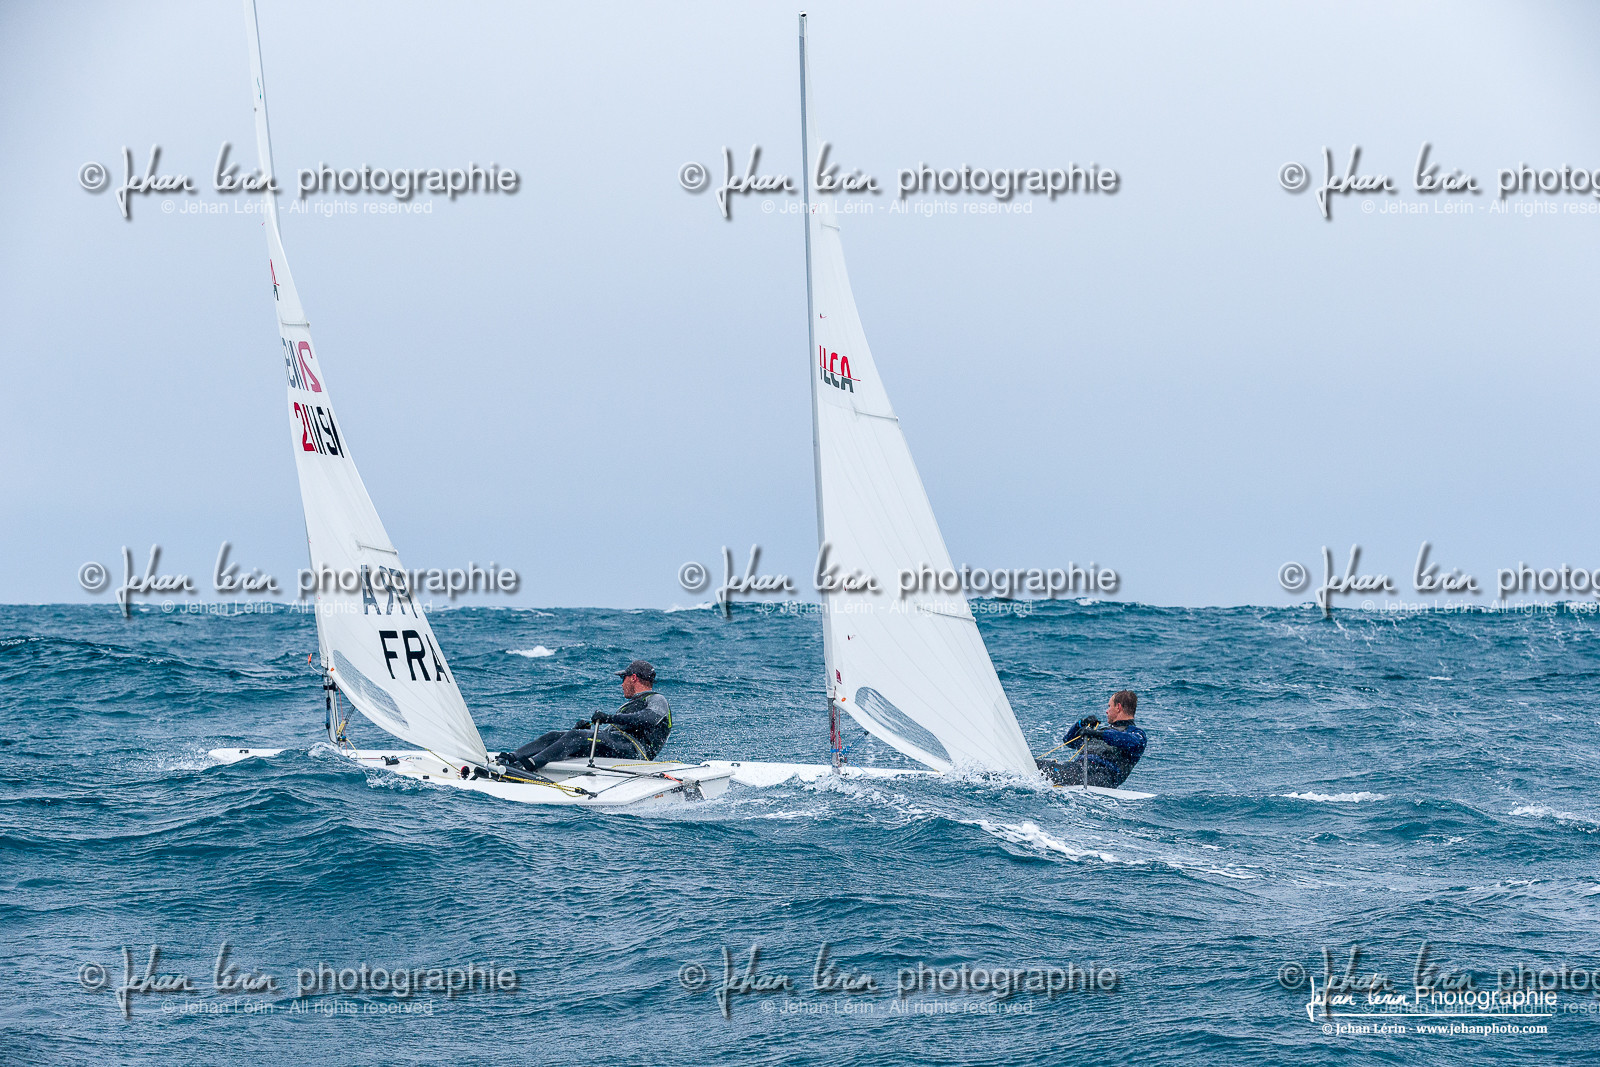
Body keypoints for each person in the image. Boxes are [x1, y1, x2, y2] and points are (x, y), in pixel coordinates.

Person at [497, 660, 673, 774]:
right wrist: (588, 731)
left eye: (623, 678)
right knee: (557, 735)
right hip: (619, 745)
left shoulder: (657, 699)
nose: (621, 684)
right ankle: (512, 757)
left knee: (577, 737)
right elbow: (615, 731)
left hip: (635, 753)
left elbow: (648, 718)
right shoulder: (631, 704)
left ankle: (528, 766)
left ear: (633, 678)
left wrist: (610, 718)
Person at [1037, 690, 1147, 788]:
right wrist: (1081, 724)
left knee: (1040, 769)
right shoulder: (1100, 732)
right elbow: (1069, 741)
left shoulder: (1136, 734)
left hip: (1100, 778)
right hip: (1076, 770)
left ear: (1118, 707)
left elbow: (1129, 741)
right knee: (1033, 764)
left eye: (1109, 706)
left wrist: (1097, 734)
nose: (1107, 711)